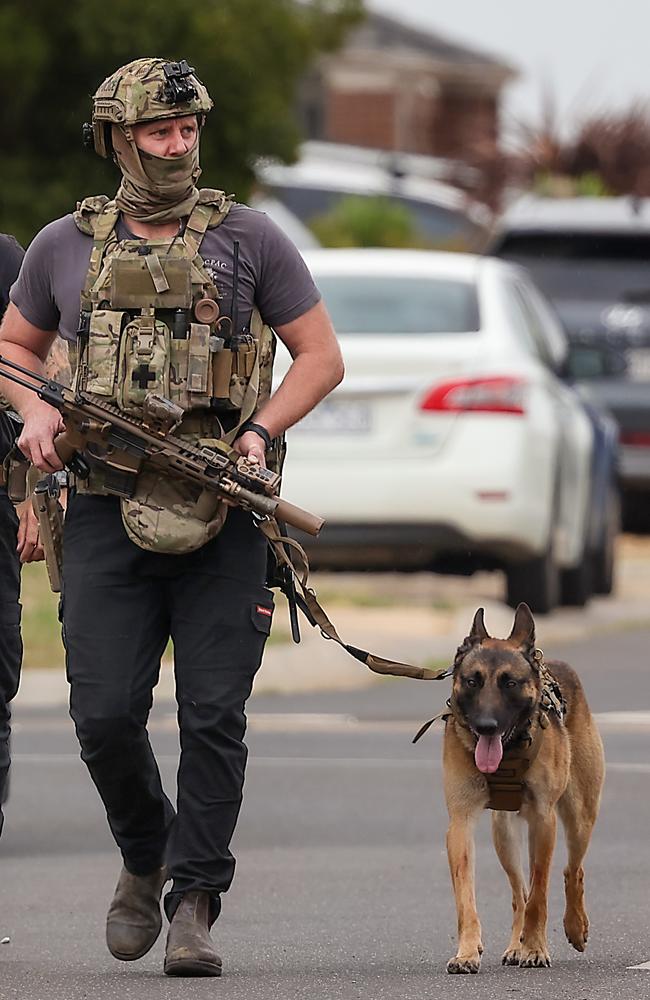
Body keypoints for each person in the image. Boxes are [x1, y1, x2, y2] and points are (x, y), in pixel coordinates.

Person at [0, 58, 343, 977]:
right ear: (119, 137)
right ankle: (145, 854)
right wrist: (36, 413)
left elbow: (319, 357)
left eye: (189, 130)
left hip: (222, 513)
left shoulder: (252, 239)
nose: (178, 146)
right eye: (160, 131)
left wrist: (261, 431)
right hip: (108, 505)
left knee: (212, 714)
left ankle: (194, 903)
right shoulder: (62, 245)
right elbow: (12, 344)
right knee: (104, 715)